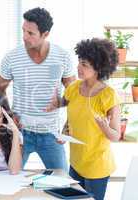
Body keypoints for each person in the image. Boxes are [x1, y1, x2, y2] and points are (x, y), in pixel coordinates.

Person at [0, 7, 75, 170]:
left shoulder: (62, 57)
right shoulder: (12, 57)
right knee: (10, 179)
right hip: (20, 133)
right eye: (24, 31)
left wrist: (68, 124)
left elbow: (74, 95)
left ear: (45, 34)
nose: (24, 37)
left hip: (51, 134)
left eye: (30, 33)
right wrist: (10, 115)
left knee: (62, 182)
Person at [47, 38, 120, 200]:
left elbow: (115, 136)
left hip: (97, 166)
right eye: (79, 62)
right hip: (76, 162)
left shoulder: (108, 95)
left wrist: (104, 127)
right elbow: (72, 117)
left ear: (99, 68)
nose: (78, 67)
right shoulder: (73, 88)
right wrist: (64, 133)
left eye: (84, 64)